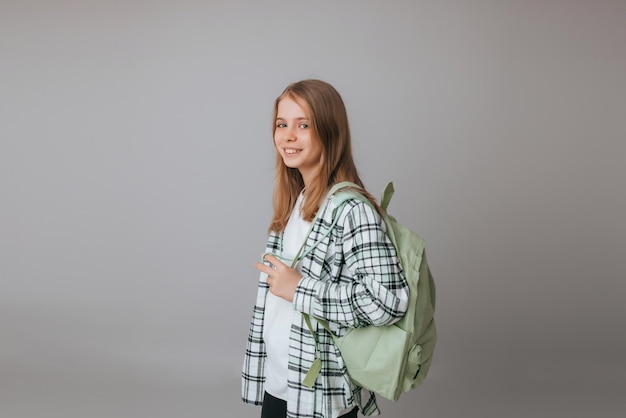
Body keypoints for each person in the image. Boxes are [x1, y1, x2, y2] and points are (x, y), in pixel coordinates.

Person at [242, 79, 409, 418]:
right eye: (281, 124)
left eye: (303, 125)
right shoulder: (297, 201)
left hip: (319, 393)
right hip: (281, 382)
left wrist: (299, 288)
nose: (288, 135)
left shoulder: (352, 210)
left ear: (330, 132)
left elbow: (387, 302)